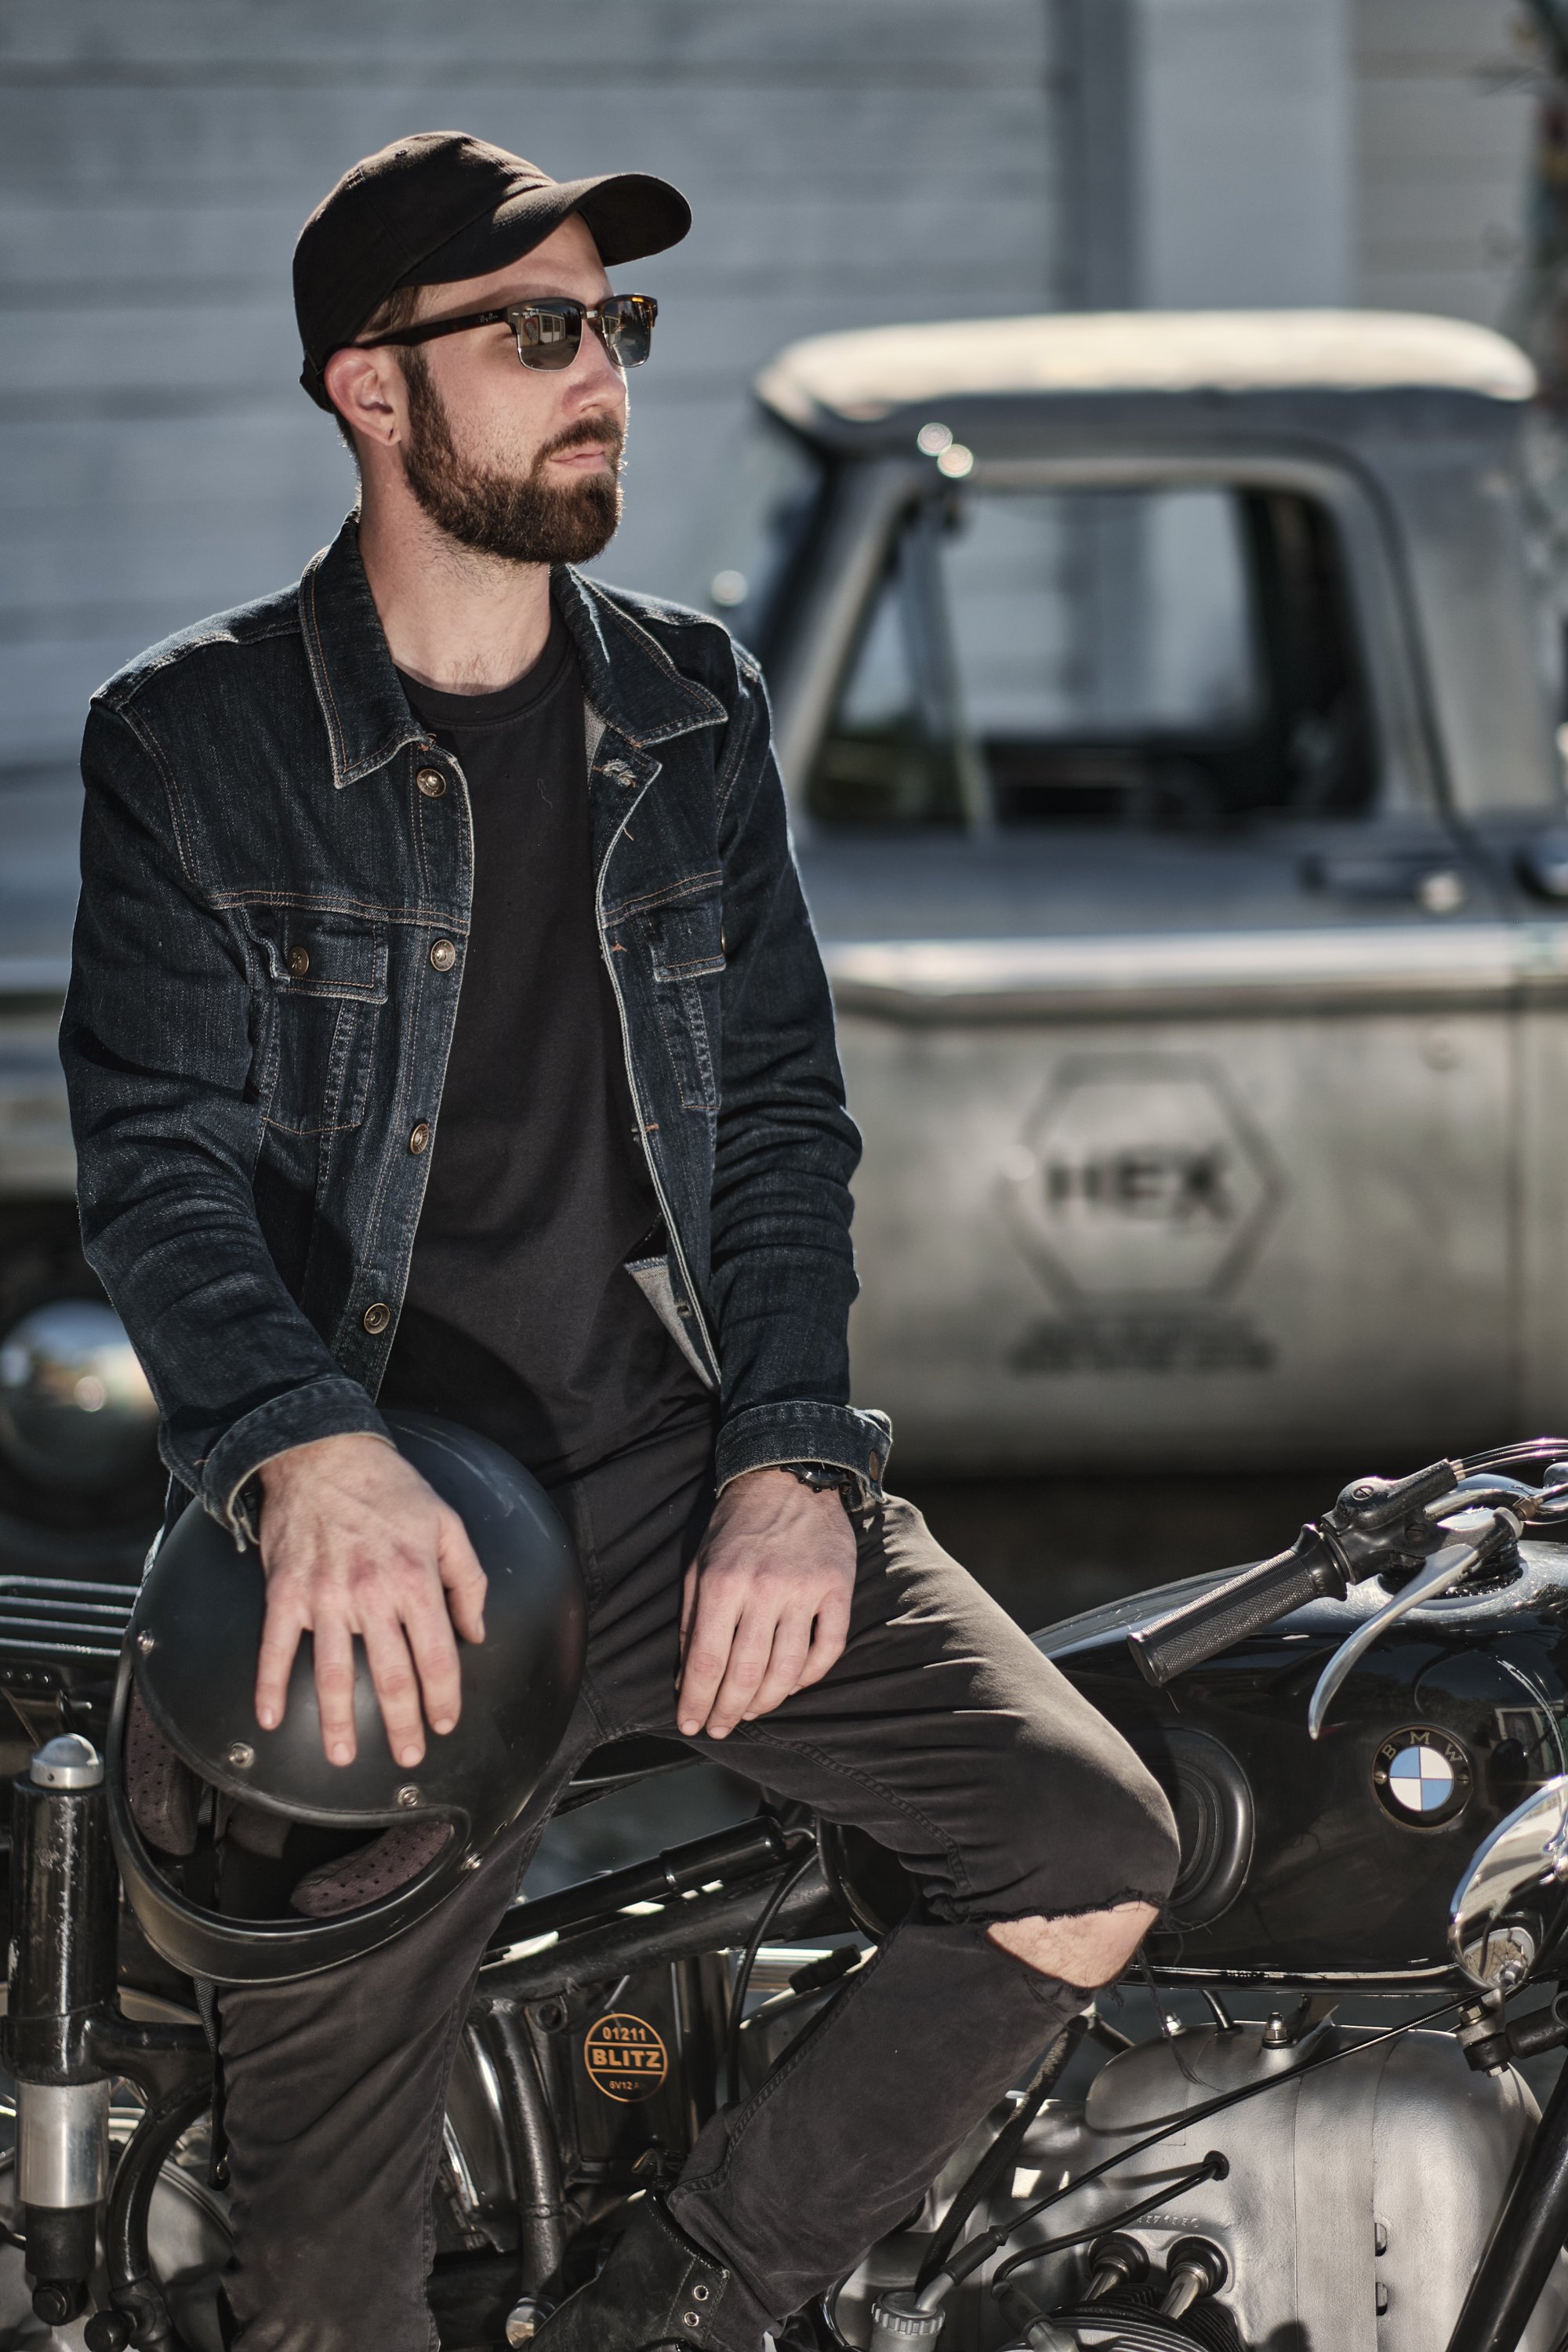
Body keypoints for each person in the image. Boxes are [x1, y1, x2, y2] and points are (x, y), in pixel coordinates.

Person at [60, 132, 1179, 2352]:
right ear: (370, 390)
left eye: (619, 329)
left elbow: (776, 1125)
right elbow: (158, 1164)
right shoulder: (192, 744)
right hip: (381, 1543)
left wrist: (792, 1456)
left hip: (665, 1480)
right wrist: (302, 1448)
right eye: (542, 332)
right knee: (331, 2298)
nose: (604, 381)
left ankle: (681, 2305)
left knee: (1091, 1846)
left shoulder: (690, 705)